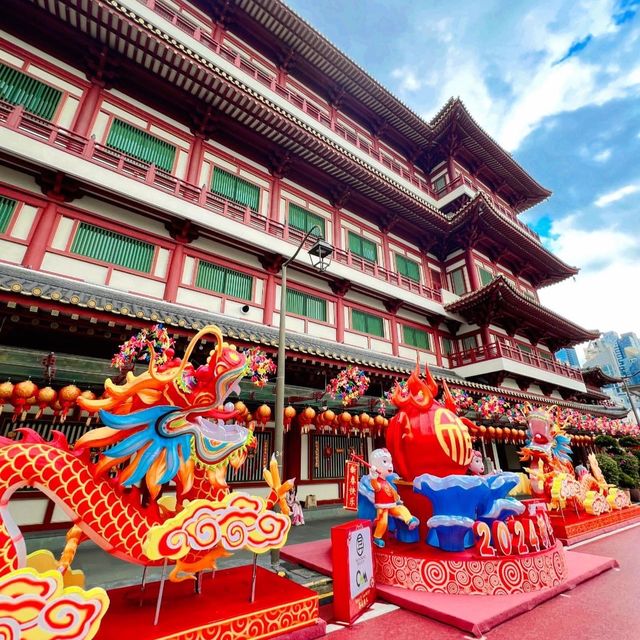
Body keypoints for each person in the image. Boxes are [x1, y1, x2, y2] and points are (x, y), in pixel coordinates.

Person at [369, 448, 418, 548]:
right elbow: (375, 486)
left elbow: (392, 492)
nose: (390, 465)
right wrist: (373, 476)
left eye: (390, 462)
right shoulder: (378, 482)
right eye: (385, 461)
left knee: (402, 509)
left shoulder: (386, 481)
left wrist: (397, 498)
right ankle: (377, 538)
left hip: (391, 505)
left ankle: (410, 521)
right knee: (383, 522)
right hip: (382, 508)